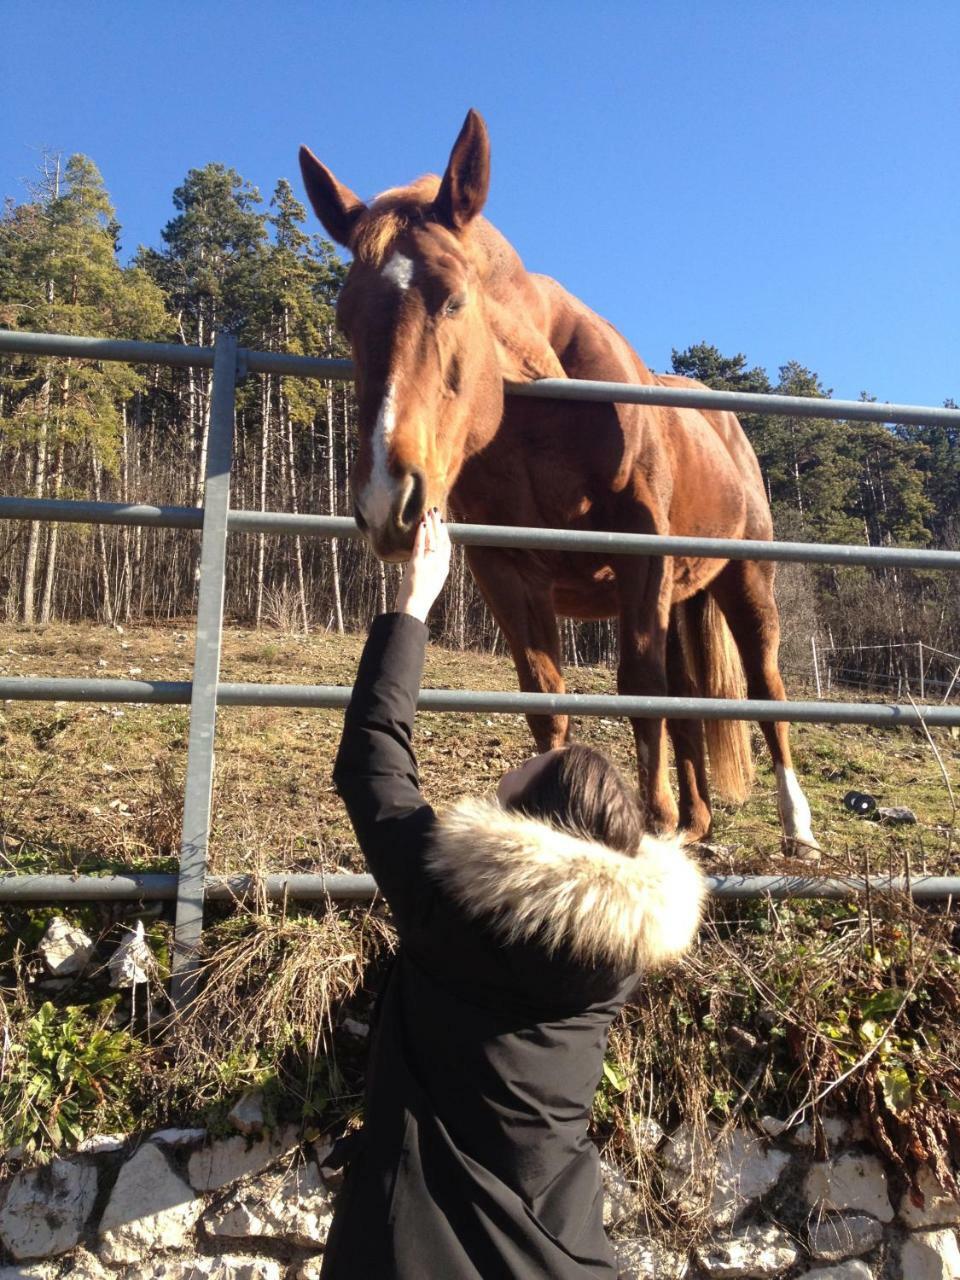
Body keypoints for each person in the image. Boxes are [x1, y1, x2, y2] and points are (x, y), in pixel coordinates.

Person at [322, 508, 706, 1280]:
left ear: (528, 826)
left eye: (511, 786)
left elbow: (373, 764)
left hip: (405, 1249)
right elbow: (374, 774)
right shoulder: (618, 958)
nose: (502, 779)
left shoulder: (442, 896)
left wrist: (415, 602)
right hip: (557, 1248)